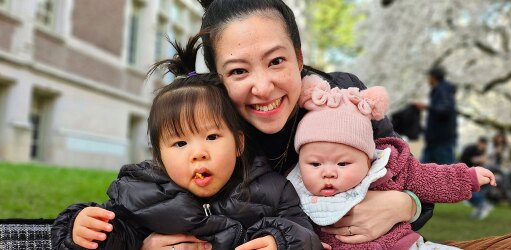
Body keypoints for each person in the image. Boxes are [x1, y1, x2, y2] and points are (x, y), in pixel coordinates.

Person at [143, 0, 511, 249]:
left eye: (277, 61)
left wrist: (404, 205)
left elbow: (411, 178)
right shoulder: (212, 125)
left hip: (392, 245)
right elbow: (156, 201)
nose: (262, 87)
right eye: (239, 71)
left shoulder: (342, 96)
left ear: (300, 60)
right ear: (219, 80)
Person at [51, 35, 322, 250]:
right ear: (159, 157)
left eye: (212, 137)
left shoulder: (272, 191)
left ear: (239, 143)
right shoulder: (140, 192)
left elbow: (306, 234)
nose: (198, 153)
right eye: (180, 144)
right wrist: (80, 230)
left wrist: (281, 241)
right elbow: (115, 234)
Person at [286, 76, 496, 249]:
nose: (328, 172)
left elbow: (432, 179)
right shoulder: (293, 191)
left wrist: (468, 177)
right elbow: (288, 228)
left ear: (368, 160)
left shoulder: (389, 169)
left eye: (342, 164)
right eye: (315, 164)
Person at [417, 66, 458, 164]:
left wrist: (427, 107)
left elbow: (445, 110)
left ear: (433, 77)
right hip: (434, 141)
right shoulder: (439, 91)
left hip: (441, 141)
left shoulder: (443, 91)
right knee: (422, 172)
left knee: (449, 172)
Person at [459, 137, 492, 219]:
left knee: (470, 190)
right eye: (482, 144)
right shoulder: (470, 149)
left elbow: (481, 163)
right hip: (465, 172)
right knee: (467, 191)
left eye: (484, 145)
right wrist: (475, 160)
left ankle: (482, 205)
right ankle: (482, 204)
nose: (483, 146)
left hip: (474, 174)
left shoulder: (482, 151)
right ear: (479, 143)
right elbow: (464, 159)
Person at [486, 132, 511, 207]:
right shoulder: (491, 145)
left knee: (506, 176)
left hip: (502, 165)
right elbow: (488, 155)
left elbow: (506, 157)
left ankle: (508, 192)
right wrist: (496, 151)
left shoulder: (506, 146)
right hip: (492, 165)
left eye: (501, 138)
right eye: (498, 138)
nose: (500, 140)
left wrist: (502, 153)